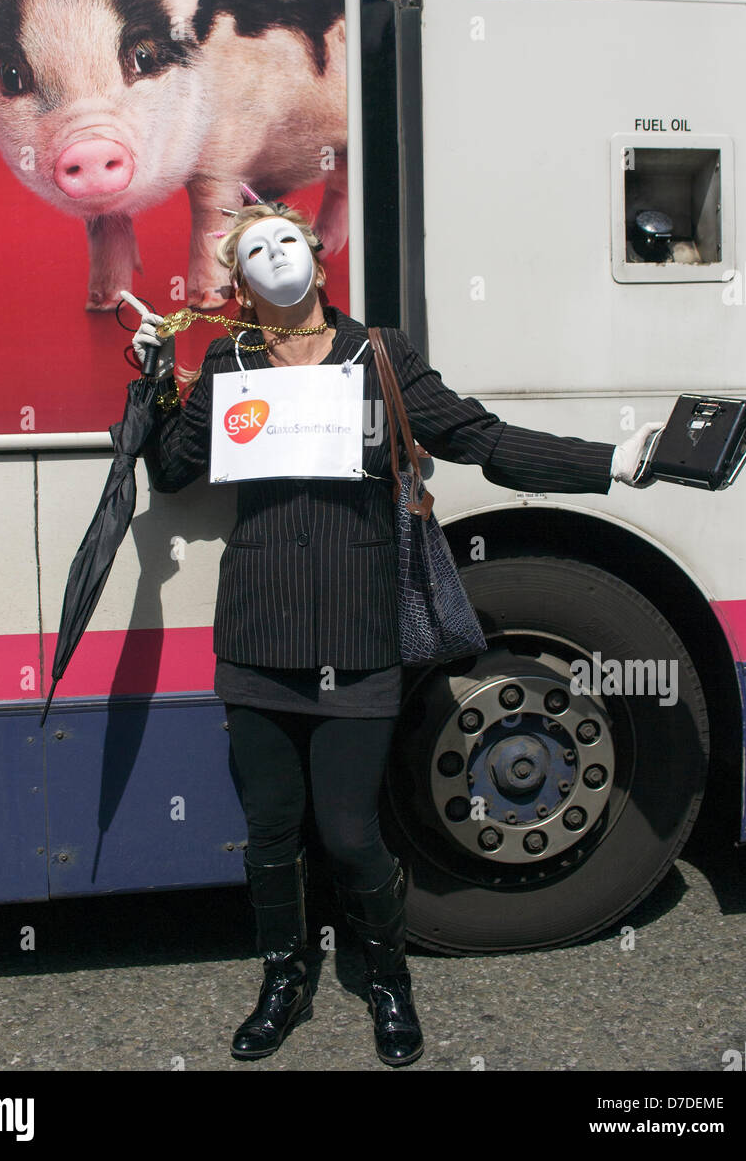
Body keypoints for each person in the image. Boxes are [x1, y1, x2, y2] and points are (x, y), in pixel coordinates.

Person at [130, 203, 659, 1068]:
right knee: (270, 830)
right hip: (257, 629)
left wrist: (607, 462)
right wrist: (156, 377)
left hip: (356, 629)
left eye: (287, 240)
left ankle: (386, 980)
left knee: (347, 830)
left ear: (318, 261)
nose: (275, 256)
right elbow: (173, 469)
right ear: (235, 281)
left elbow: (477, 438)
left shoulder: (376, 354)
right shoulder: (227, 359)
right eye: (254, 249)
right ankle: (282, 979)